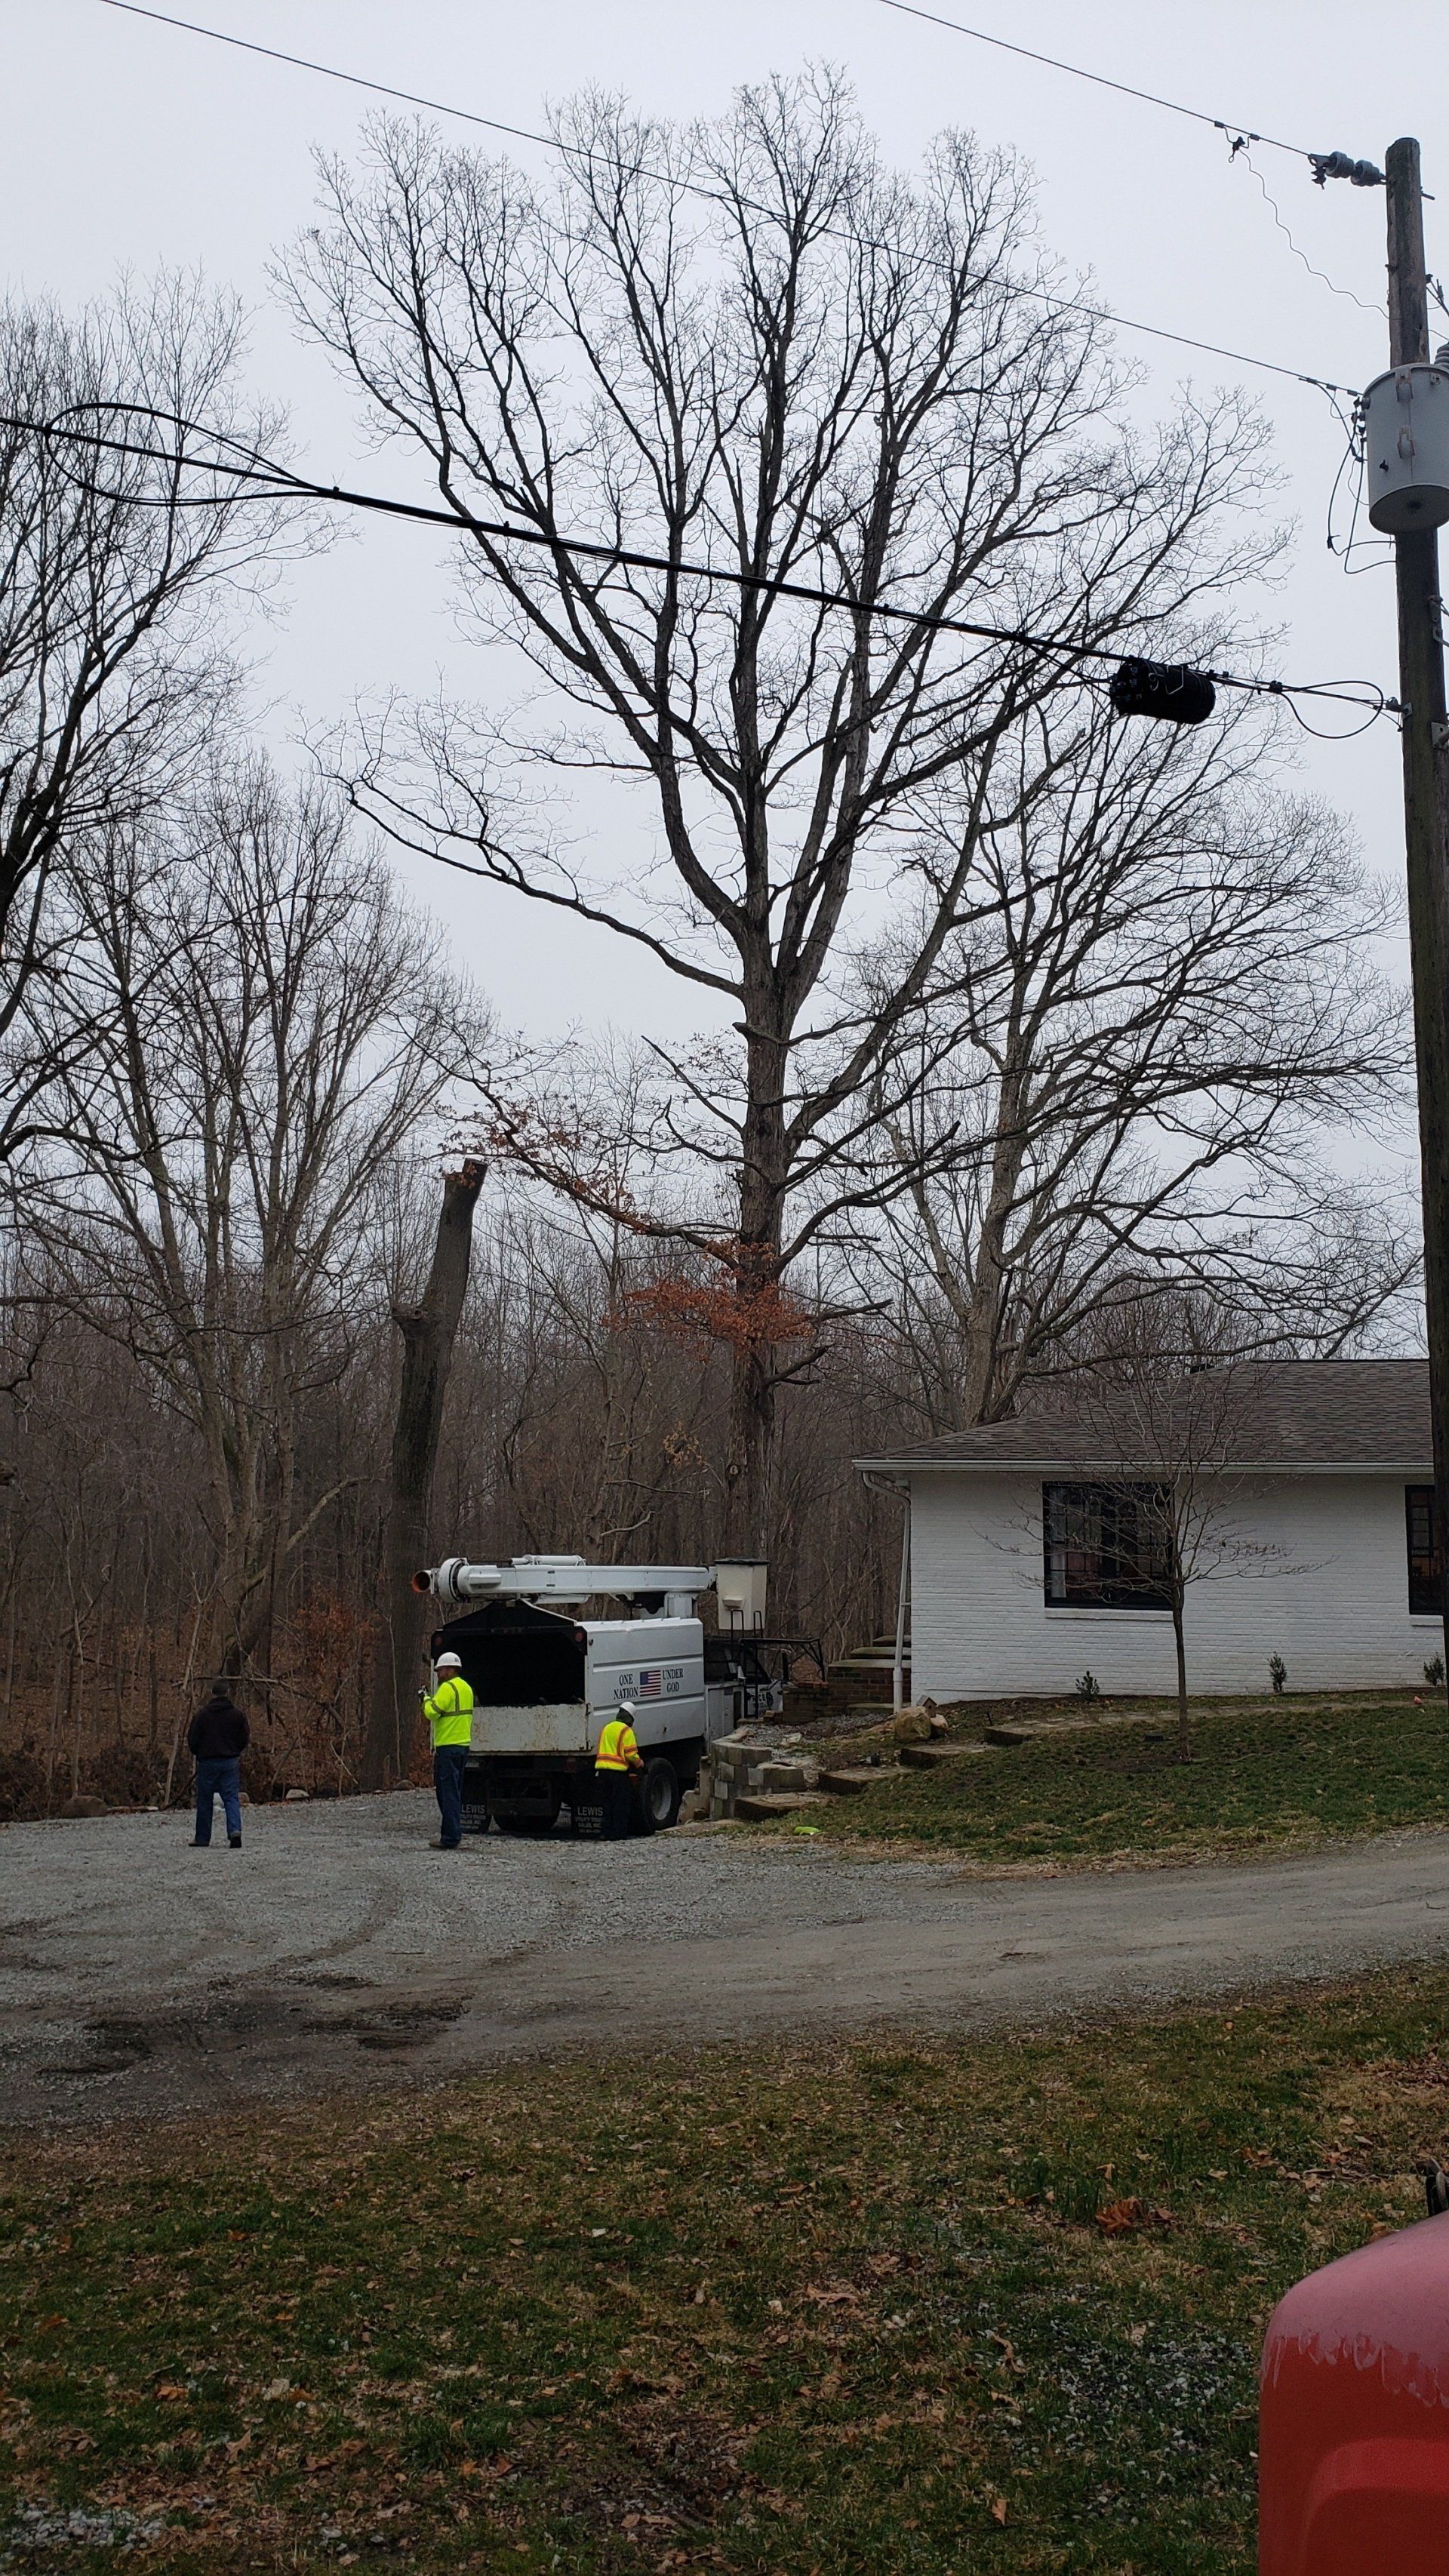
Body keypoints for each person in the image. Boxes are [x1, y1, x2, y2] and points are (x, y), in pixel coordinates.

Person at [423, 1650, 475, 1851]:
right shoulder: (467, 1688)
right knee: (455, 1791)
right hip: (463, 1746)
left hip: (447, 1748)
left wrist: (425, 1699)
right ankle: (453, 1833)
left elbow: (432, 1713)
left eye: (441, 1670)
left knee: (447, 1794)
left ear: (451, 1670)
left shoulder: (447, 1688)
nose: (438, 1673)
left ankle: (450, 1837)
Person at [188, 1681, 249, 1849]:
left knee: (205, 1799)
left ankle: (202, 1838)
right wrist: (235, 1750)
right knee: (231, 1798)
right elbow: (244, 1738)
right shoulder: (237, 1715)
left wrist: (198, 1753)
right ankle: (235, 1831)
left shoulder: (202, 1715)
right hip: (229, 1761)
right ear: (227, 1692)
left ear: (212, 1693)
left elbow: (193, 1739)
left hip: (207, 1761)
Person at [594, 1699, 643, 1840]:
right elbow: (630, 1754)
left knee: (607, 1804)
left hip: (602, 1772)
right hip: (618, 1773)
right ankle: (618, 1834)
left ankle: (605, 1833)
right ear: (630, 1718)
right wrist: (639, 1763)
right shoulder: (626, 1731)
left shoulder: (607, 1728)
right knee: (620, 1805)